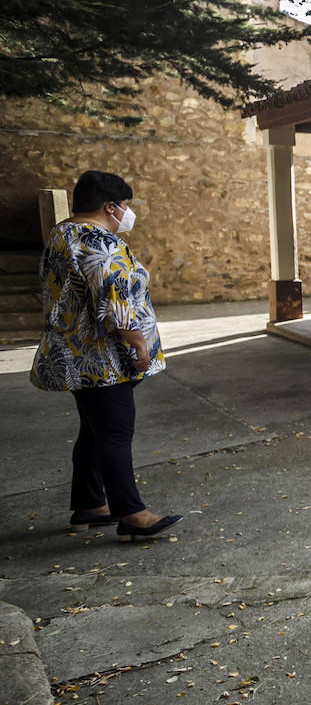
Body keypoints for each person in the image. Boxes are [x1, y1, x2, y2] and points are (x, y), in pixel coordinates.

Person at [30, 170, 182, 542]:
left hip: (73, 354)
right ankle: (131, 514)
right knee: (115, 431)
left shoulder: (62, 235)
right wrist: (139, 345)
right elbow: (115, 303)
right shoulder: (99, 242)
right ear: (109, 207)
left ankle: (90, 504)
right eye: (125, 206)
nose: (127, 213)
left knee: (95, 430)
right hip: (103, 359)